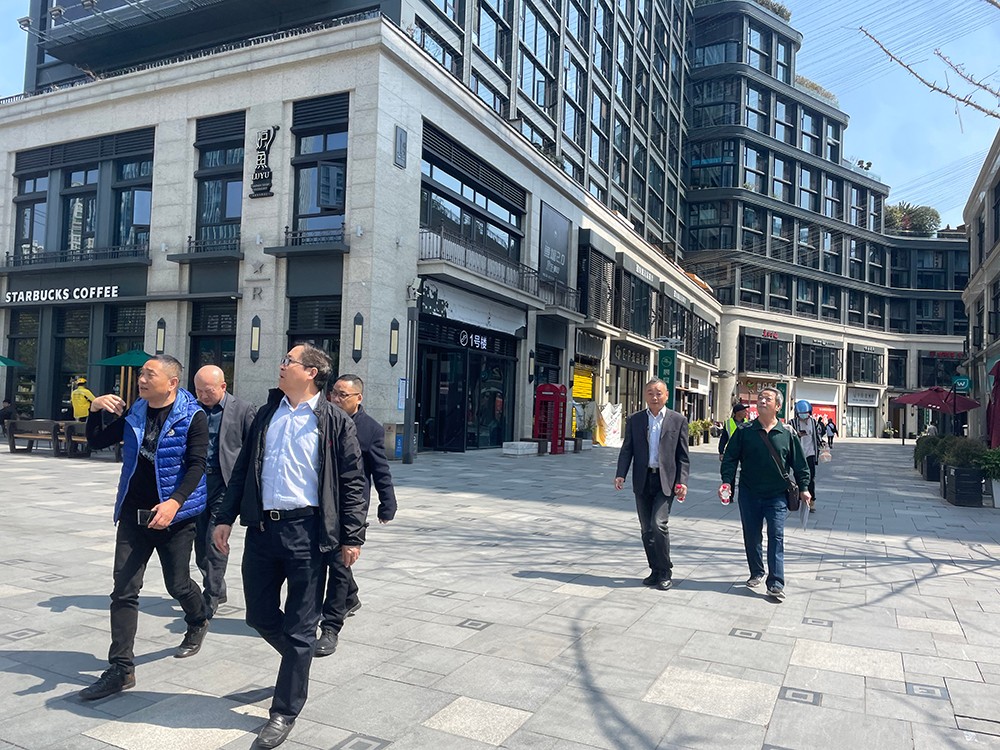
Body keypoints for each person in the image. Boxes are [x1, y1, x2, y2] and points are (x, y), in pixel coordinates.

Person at [212, 344, 366, 750]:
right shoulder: (267, 414)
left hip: (308, 533)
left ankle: (284, 711)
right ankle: (298, 662)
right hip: (263, 530)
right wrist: (225, 517)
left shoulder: (333, 421)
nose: (281, 366)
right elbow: (243, 469)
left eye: (288, 361)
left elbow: (353, 481)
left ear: (311, 372)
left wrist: (352, 536)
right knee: (259, 615)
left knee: (300, 626)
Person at [79, 355, 211, 701]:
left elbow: (197, 465)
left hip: (174, 519)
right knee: (123, 590)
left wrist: (174, 503)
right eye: (141, 374)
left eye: (149, 374)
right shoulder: (135, 411)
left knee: (177, 584)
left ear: (172, 382)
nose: (141, 379)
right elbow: (97, 442)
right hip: (133, 516)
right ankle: (121, 669)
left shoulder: (192, 415)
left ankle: (198, 618)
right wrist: (94, 410)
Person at [315, 374, 397, 657]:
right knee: (332, 560)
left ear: (358, 398)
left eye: (343, 395)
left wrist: (387, 504)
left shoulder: (370, 429)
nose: (336, 399)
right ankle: (350, 597)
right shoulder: (321, 419)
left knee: (339, 564)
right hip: (320, 503)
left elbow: (381, 470)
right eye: (334, 393)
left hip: (350, 507)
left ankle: (330, 626)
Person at [719, 387, 810, 601]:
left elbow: (800, 464)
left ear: (777, 406)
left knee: (776, 536)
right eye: (760, 398)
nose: (762, 401)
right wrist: (727, 482)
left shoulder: (787, 433)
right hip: (749, 493)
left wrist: (804, 488)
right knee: (752, 535)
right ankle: (756, 571)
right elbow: (730, 458)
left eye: (767, 398)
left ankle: (776, 582)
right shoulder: (744, 430)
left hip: (777, 494)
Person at [613, 378, 690, 591]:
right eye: (650, 393)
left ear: (666, 395)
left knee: (658, 524)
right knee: (646, 529)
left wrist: (682, 481)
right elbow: (627, 449)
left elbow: (683, 456)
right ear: (645, 395)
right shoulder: (635, 419)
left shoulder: (678, 420)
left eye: (658, 393)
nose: (654, 397)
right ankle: (655, 569)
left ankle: (665, 571)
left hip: (666, 481)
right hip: (643, 479)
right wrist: (620, 474)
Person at [193, 365, 256, 617]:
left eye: (208, 391)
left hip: (224, 484)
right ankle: (218, 588)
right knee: (199, 546)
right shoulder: (192, 408)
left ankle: (210, 596)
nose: (203, 396)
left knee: (214, 541)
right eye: (198, 391)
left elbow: (253, 449)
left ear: (223, 386)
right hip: (196, 485)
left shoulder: (243, 409)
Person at [791, 400, 821, 514]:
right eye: (801, 414)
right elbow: (789, 436)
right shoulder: (792, 423)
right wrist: (797, 435)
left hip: (810, 453)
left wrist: (822, 444)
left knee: (811, 478)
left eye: (806, 413)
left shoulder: (813, 422)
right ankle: (800, 497)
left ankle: (812, 500)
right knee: (799, 476)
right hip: (798, 454)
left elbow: (818, 435)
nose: (804, 416)